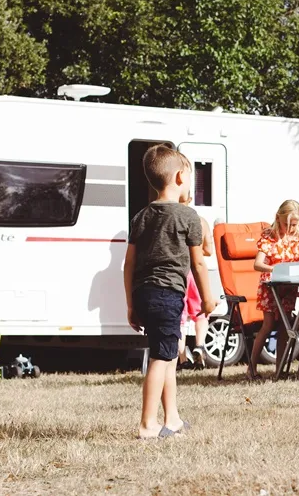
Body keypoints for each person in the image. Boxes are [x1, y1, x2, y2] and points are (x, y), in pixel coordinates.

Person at [123, 144, 217, 439]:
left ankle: (172, 418)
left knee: (169, 352)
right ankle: (148, 424)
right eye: (190, 177)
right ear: (179, 177)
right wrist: (208, 298)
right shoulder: (188, 217)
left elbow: (128, 265)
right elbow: (199, 263)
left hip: (144, 293)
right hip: (168, 293)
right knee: (161, 357)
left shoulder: (141, 216)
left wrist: (130, 305)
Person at [247, 199, 299, 380]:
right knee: (269, 324)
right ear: (278, 218)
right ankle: (252, 368)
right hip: (271, 285)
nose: (291, 228)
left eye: (295, 224)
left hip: (289, 286)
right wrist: (275, 269)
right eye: (287, 224)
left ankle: (279, 369)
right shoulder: (269, 236)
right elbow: (258, 264)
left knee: (285, 326)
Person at [177, 193, 214, 370]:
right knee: (201, 313)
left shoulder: (174, 219)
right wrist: (197, 252)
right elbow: (209, 250)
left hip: (179, 272)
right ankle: (199, 346)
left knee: (180, 318)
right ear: (190, 199)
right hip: (196, 272)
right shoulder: (201, 221)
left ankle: (182, 358)